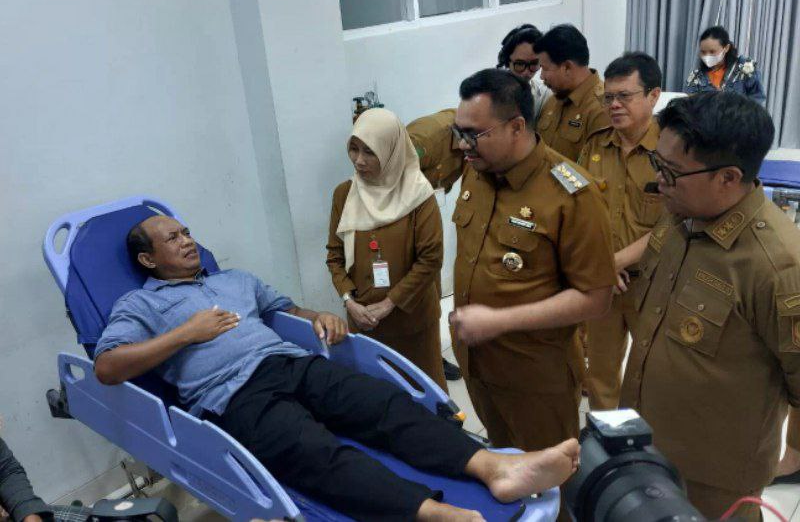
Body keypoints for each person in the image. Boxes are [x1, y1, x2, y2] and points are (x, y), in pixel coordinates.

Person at [93, 214, 581, 522]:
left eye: (186, 232)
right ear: (147, 259)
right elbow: (108, 367)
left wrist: (318, 317)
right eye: (173, 238)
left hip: (292, 363)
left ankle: (494, 468)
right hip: (234, 397)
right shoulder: (139, 305)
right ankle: (435, 513)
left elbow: (286, 312)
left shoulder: (234, 280)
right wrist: (185, 333)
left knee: (385, 404)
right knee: (314, 452)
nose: (187, 240)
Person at [619, 91, 800, 521]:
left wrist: (793, 450)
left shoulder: (777, 267)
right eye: (657, 162)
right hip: (643, 442)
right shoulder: (681, 214)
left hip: (713, 480)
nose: (659, 179)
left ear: (728, 178)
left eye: (672, 171)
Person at [440, 68, 616, 458]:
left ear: (517, 126)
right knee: (504, 465)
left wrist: (499, 321)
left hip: (535, 378)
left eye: (474, 134)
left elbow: (595, 298)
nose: (462, 145)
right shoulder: (477, 172)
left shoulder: (572, 194)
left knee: (549, 481)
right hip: (478, 365)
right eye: (459, 131)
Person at [327, 108, 447, 390]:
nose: (359, 160)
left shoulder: (418, 195)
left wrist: (389, 303)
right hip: (364, 321)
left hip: (411, 321)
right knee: (379, 393)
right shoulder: (344, 194)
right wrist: (349, 301)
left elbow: (430, 259)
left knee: (423, 390)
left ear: (391, 151)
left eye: (370, 152)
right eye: (354, 149)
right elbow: (334, 254)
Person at [577, 52, 664, 410]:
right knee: (600, 374)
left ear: (653, 95)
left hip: (655, 285)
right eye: (608, 97)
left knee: (653, 374)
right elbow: (578, 212)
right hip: (603, 283)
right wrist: (602, 266)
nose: (614, 105)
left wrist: (614, 262)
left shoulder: (672, 150)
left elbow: (676, 224)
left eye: (624, 96)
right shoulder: (595, 145)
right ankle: (606, 438)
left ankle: (645, 441)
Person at [406, 108, 466, 382]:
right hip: (399, 219)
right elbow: (386, 176)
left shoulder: (478, 136)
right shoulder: (426, 138)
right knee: (411, 290)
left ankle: (430, 356)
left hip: (425, 210)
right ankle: (411, 359)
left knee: (432, 288)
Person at [534, 24, 611, 162]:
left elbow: (596, 170)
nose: (541, 76)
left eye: (545, 68)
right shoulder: (553, 101)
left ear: (567, 67)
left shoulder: (602, 109)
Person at [684, 25, 766, 106]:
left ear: (726, 48)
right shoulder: (696, 77)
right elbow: (688, 105)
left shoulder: (745, 68)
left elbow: (758, 98)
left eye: (712, 52)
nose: (707, 56)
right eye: (703, 52)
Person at [496, 24, 553, 123]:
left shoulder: (545, 95)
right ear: (507, 61)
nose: (526, 72)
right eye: (520, 64)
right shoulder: (489, 95)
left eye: (534, 64)